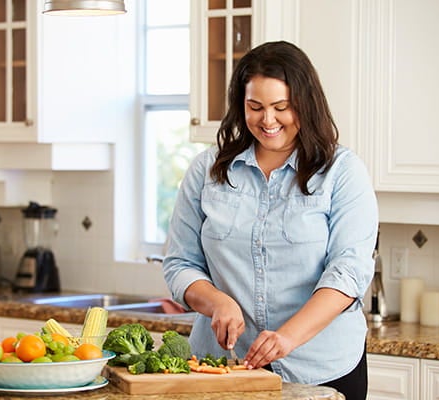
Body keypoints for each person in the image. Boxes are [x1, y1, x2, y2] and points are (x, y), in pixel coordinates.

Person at [162, 40, 378, 400]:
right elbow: (180, 263)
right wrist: (216, 301)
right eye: (255, 107)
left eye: (282, 107)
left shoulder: (342, 172)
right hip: (223, 368)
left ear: (305, 105)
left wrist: (287, 337)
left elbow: (349, 272)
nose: (268, 120)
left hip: (321, 368)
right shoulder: (208, 170)